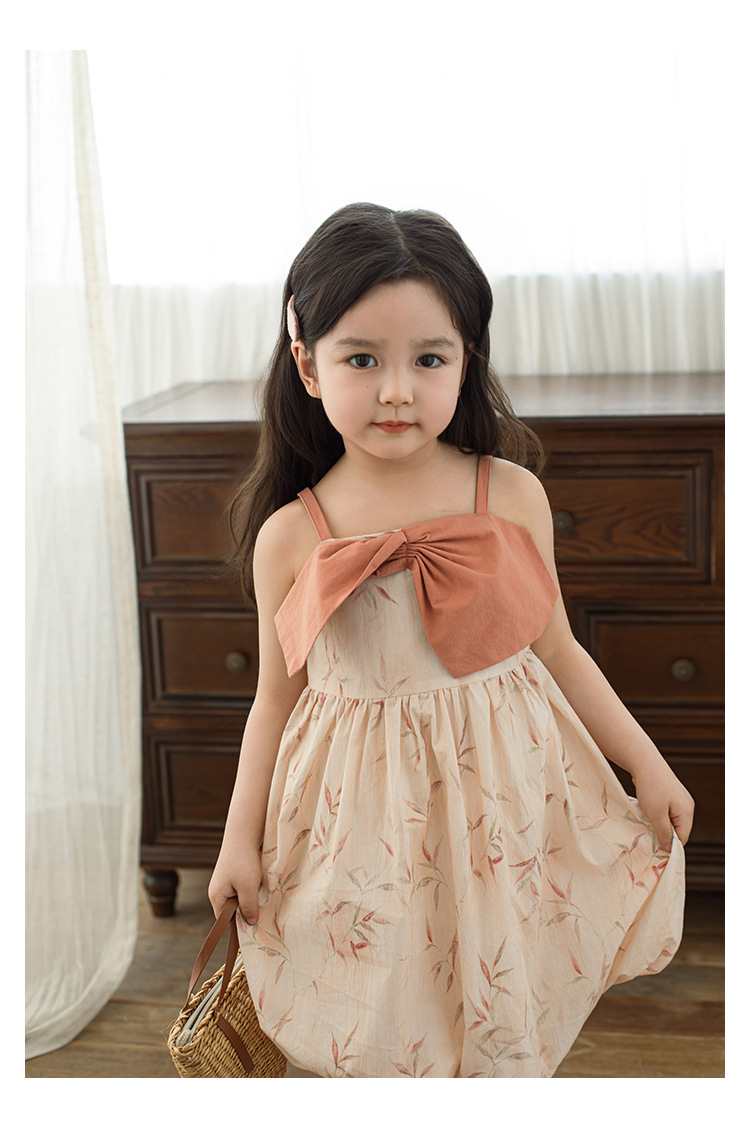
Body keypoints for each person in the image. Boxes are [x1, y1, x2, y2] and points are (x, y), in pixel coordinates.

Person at [208, 202, 693, 1078]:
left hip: (503, 804)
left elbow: (558, 650)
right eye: (363, 359)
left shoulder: (507, 496)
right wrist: (237, 839)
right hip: (359, 820)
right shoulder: (292, 536)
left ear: (467, 363)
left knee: (496, 998)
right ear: (308, 364)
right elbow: (273, 701)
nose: (397, 390)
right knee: (385, 1007)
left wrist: (645, 763)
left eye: (429, 359)